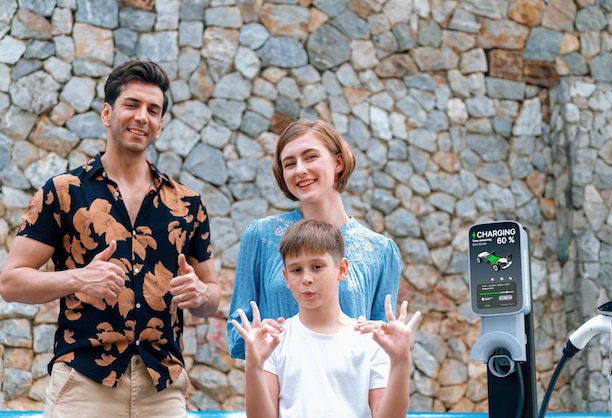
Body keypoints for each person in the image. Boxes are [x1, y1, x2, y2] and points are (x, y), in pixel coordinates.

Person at [0, 60, 220, 418]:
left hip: (162, 387)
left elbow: (211, 297)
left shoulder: (188, 203)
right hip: (84, 383)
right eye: (131, 105)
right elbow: (10, 282)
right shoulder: (64, 191)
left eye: (153, 109)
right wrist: (77, 278)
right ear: (107, 112)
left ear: (160, 124)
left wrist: (200, 294)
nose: (142, 117)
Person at [228, 119, 402, 359]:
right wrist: (256, 334)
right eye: (289, 163)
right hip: (278, 389)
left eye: (310, 157)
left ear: (338, 162)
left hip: (350, 390)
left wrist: (383, 337)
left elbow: (386, 348)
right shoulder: (261, 236)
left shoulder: (381, 251)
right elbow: (237, 328)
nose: (299, 170)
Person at [232, 218, 420, 418]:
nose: (306, 278)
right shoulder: (274, 341)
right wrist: (253, 366)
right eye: (297, 270)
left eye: (317, 266)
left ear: (342, 269)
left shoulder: (370, 340)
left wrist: (400, 361)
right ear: (286, 277)